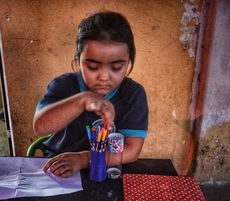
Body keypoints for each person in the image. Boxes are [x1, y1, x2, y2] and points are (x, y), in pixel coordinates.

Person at [33, 11, 148, 178]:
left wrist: (83, 159)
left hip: (106, 171)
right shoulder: (63, 85)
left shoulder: (133, 94)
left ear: (128, 62)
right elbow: (40, 127)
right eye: (93, 66)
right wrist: (83, 100)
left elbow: (132, 150)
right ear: (78, 61)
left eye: (116, 67)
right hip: (58, 168)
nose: (103, 76)